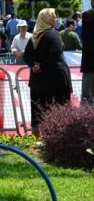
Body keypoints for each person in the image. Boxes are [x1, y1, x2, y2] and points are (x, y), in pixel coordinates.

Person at [24, 8, 72, 137]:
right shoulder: (54, 34)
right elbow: (55, 54)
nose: (55, 20)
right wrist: (42, 66)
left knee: (38, 111)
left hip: (38, 82)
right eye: (53, 17)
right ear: (47, 19)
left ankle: (36, 140)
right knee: (60, 110)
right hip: (56, 80)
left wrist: (35, 66)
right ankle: (59, 139)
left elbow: (26, 56)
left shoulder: (34, 36)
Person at [81, 0, 94, 105]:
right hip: (89, 62)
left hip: (89, 62)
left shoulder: (86, 15)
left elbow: (85, 38)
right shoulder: (87, 15)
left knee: (87, 98)